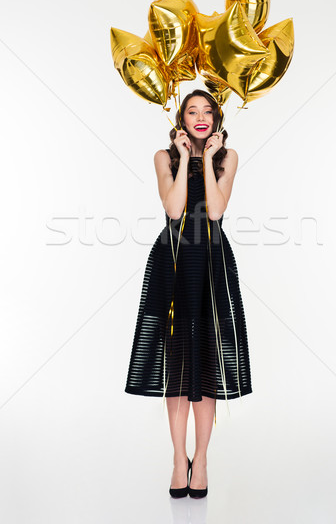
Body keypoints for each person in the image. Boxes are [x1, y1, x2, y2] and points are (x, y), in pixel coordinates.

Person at [125, 89, 252, 498]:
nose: (201, 117)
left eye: (208, 111)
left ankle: (203, 459)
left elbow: (215, 212)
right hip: (173, 263)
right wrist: (185, 160)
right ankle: (180, 459)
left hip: (212, 263)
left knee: (207, 364)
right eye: (192, 111)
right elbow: (175, 210)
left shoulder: (228, 158)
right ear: (180, 119)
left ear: (217, 118)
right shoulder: (164, 158)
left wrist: (207, 160)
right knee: (178, 364)